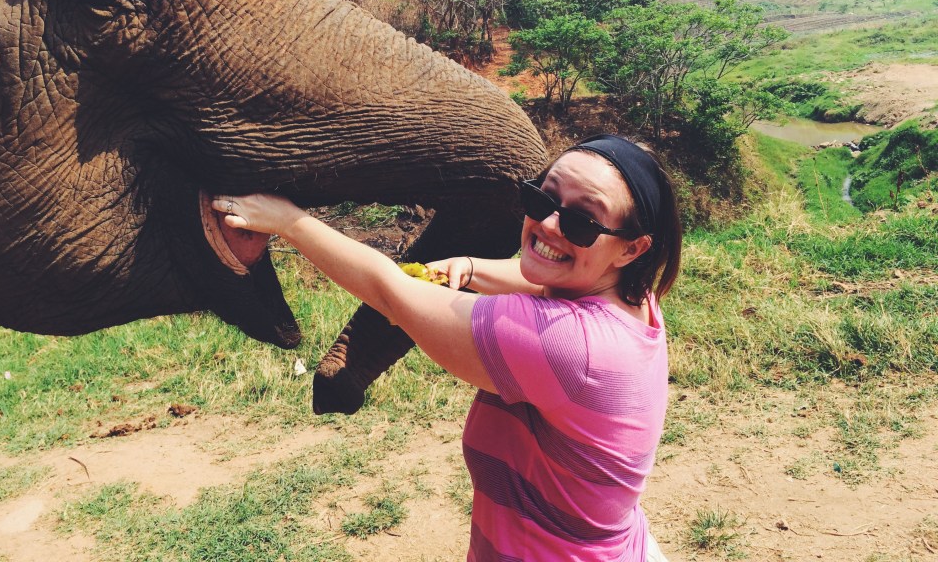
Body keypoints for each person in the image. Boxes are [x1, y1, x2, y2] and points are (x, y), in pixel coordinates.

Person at [213, 134, 682, 561]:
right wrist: (472, 266)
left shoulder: (568, 346)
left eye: (582, 222)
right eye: (541, 197)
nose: (549, 223)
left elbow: (388, 292)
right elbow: (543, 273)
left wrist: (288, 222)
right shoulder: (633, 298)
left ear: (630, 249)